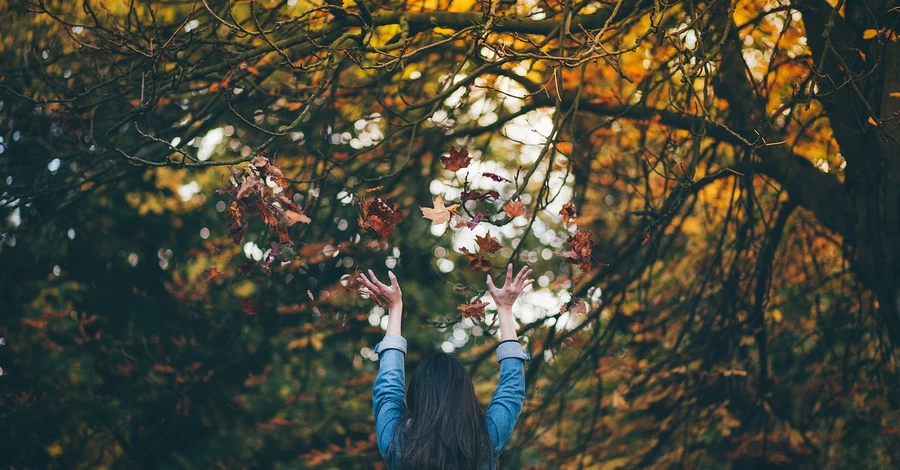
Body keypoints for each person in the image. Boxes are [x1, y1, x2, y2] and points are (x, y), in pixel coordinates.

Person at [357, 263, 533, 470]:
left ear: (417, 394)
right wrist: (505, 309)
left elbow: (389, 387)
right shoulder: (485, 440)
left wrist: (395, 309)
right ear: (465, 394)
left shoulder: (396, 441)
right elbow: (511, 390)